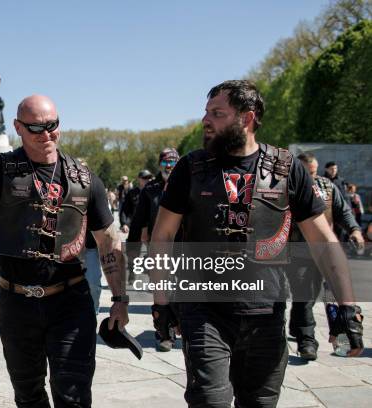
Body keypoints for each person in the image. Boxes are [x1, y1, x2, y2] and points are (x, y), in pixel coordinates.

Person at [150, 81, 364, 408]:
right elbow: (162, 236)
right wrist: (161, 301)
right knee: (209, 401)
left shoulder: (287, 169)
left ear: (247, 119)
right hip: (204, 310)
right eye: (206, 112)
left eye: (217, 114)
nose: (206, 120)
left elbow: (322, 240)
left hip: (267, 312)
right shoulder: (190, 168)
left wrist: (346, 308)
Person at [0, 72, 128, 408]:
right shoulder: (3, 169)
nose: (47, 133)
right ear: (18, 128)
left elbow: (108, 241)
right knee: (28, 395)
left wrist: (120, 298)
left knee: (73, 395)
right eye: (36, 127)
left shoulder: (85, 178)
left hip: (71, 300)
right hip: (18, 303)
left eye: (53, 125)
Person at [288, 152, 364, 361]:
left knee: (316, 295)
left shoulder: (328, 187)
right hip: (298, 251)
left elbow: (343, 211)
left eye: (313, 172)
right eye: (306, 172)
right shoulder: (287, 187)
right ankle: (307, 341)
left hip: (325, 251)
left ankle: (298, 326)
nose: (310, 177)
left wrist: (354, 230)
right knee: (303, 294)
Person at [127, 149, 180, 351]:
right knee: (161, 291)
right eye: (166, 163)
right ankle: (164, 334)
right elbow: (139, 220)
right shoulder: (151, 188)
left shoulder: (186, 183)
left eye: (173, 162)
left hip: (183, 247)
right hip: (157, 247)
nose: (169, 167)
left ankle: (177, 325)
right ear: (160, 165)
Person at [119, 169, 153, 234]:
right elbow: (125, 210)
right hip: (135, 227)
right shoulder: (132, 193)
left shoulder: (155, 193)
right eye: (145, 178)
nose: (148, 180)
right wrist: (124, 223)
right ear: (139, 179)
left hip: (151, 228)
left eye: (149, 178)